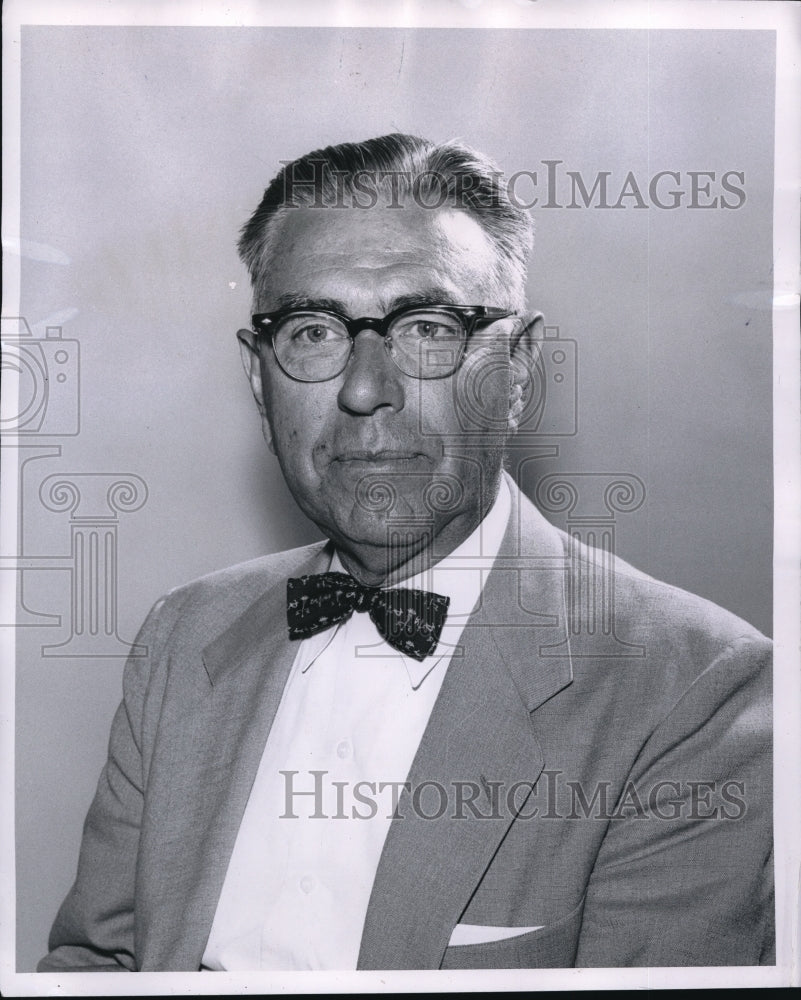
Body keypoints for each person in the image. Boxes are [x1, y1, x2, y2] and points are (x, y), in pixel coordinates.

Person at [38, 134, 773, 972]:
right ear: (257, 376)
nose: (362, 388)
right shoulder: (183, 631)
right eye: (313, 332)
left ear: (520, 367)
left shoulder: (698, 690)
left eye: (428, 328)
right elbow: (95, 967)